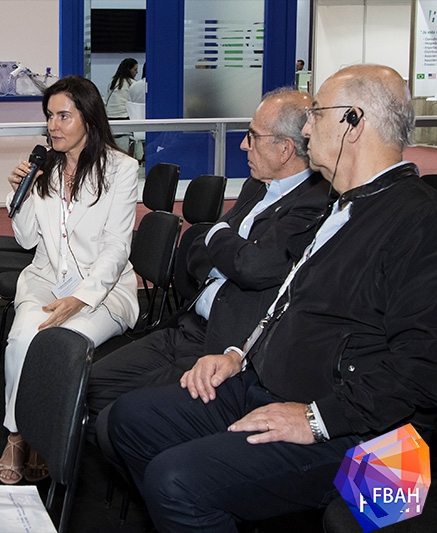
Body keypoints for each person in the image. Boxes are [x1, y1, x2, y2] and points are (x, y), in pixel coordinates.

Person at [108, 64, 437, 531]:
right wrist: (238, 354)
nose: (306, 129)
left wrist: (316, 420)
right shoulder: (343, 203)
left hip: (364, 430)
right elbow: (288, 301)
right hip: (267, 384)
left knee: (174, 480)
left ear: (353, 122)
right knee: (129, 419)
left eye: (317, 113)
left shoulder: (420, 222)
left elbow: (422, 368)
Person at [87, 89, 330, 439]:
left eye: (252, 136)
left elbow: (252, 266)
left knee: (122, 418)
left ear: (285, 149)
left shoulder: (315, 202)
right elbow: (198, 251)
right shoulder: (257, 185)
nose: (243, 145)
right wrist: (227, 250)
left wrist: (221, 240)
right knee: (89, 385)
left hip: (224, 346)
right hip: (187, 327)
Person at [0, 76, 140, 484]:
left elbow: (116, 248)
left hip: (102, 290)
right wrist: (20, 193)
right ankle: (17, 433)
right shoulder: (47, 166)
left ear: (89, 120)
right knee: (23, 336)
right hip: (46, 278)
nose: (53, 126)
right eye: (49, 116)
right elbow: (27, 239)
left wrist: (80, 298)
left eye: (63, 116)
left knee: (59, 343)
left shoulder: (121, 169)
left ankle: (46, 435)